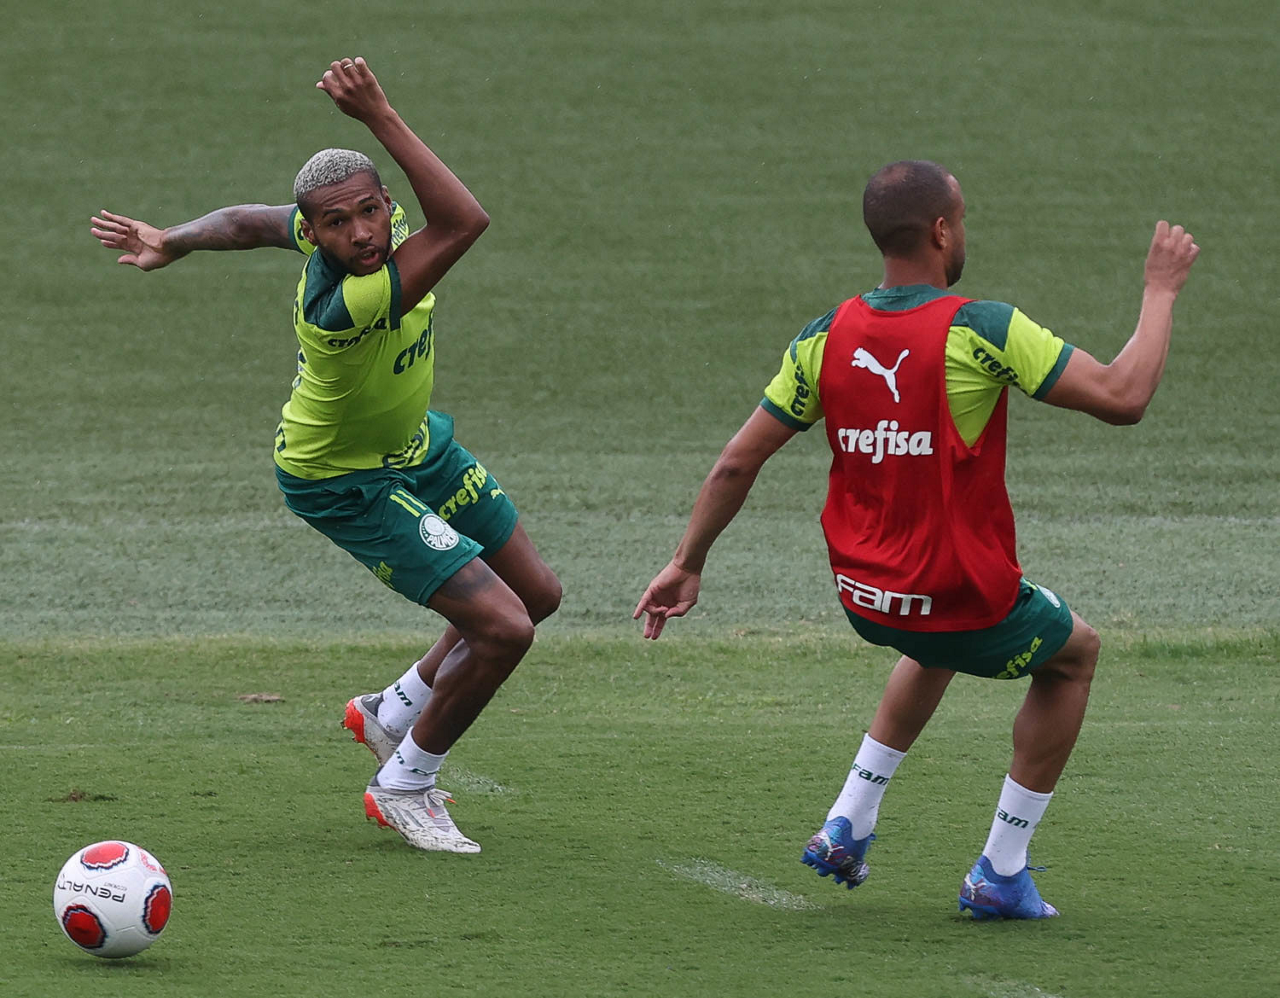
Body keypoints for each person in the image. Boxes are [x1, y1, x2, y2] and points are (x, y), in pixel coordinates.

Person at [634, 160, 1198, 919]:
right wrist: (1160, 290)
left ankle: (849, 819)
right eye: (960, 220)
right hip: (957, 593)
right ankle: (1002, 870)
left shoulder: (824, 337)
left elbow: (737, 461)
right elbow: (1123, 396)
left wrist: (686, 563)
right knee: (1074, 655)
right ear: (940, 231)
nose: (962, 232)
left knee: (933, 638)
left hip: (867, 596)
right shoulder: (981, 329)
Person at [90, 58, 561, 854]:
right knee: (506, 629)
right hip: (343, 480)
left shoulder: (364, 236)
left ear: (388, 206)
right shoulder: (354, 299)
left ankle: (391, 710)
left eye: (371, 213)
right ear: (315, 234)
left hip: (415, 446)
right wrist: (378, 113)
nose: (362, 234)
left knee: (536, 594)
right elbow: (466, 221)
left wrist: (174, 239)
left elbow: (247, 222)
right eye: (338, 224)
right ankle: (404, 784)